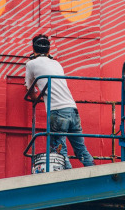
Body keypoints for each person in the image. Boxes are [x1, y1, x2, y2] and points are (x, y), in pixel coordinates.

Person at [25, 34, 94, 169]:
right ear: (49, 51)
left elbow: (29, 89)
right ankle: (96, 175)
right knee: (81, 149)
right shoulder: (57, 63)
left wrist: (36, 97)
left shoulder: (31, 64)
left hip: (57, 111)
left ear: (33, 49)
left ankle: (68, 181)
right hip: (72, 109)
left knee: (59, 152)